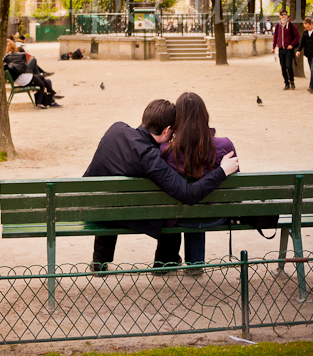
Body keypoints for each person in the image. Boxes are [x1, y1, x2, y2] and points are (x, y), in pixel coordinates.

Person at [84, 99, 239, 272]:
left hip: (94, 205)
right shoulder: (151, 157)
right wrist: (221, 171)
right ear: (166, 130)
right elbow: (188, 194)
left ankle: (99, 261)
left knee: (113, 196)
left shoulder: (116, 128)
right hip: (123, 211)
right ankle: (165, 262)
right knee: (168, 209)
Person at [160, 92, 237, 272]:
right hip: (216, 215)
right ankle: (195, 264)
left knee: (187, 207)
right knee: (202, 203)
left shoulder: (165, 150)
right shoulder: (225, 146)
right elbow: (235, 181)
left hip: (179, 217)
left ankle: (174, 263)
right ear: (205, 115)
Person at [271, 11, 300, 89]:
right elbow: (275, 37)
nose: (284, 16)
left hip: (288, 49)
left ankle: (292, 81)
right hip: (281, 49)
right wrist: (273, 47)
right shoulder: (277, 26)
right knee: (283, 67)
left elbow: (297, 36)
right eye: (282, 15)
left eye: (285, 15)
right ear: (280, 16)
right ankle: (286, 83)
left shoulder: (291, 25)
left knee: (289, 66)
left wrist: (292, 44)